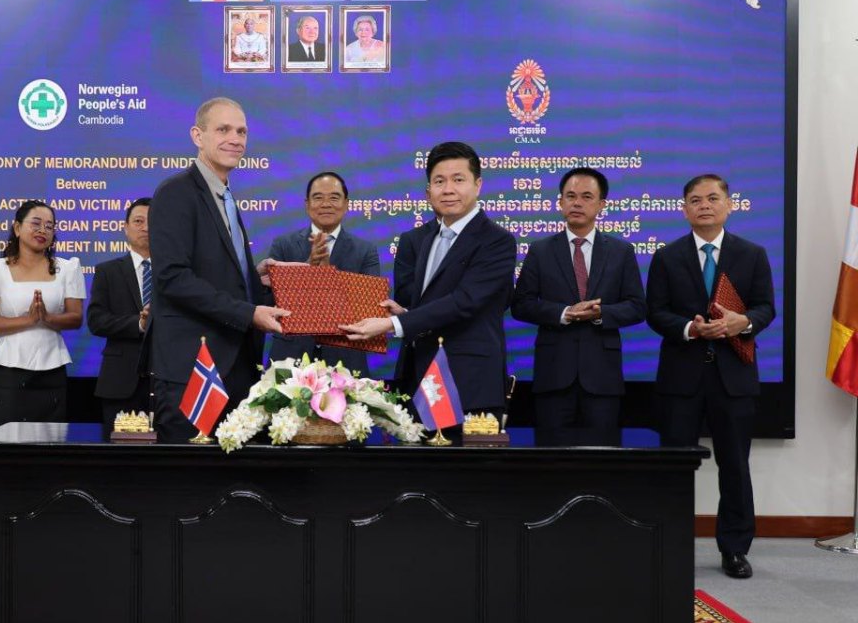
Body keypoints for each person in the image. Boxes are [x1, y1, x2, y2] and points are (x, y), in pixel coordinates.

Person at [647, 174, 774, 580]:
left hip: (733, 377)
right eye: (695, 200)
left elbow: (765, 307)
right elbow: (656, 312)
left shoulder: (752, 254)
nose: (704, 205)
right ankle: (670, 545)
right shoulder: (666, 257)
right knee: (674, 467)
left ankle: (734, 549)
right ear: (684, 209)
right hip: (681, 378)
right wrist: (689, 328)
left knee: (734, 465)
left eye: (713, 198)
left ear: (729, 205)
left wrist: (743, 322)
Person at [148, 97, 288, 442]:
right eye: (223, 129)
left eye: (241, 131)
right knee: (192, 474)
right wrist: (249, 313)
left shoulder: (224, 195)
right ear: (198, 136)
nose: (235, 139)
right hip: (194, 369)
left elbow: (214, 273)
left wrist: (255, 279)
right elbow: (172, 278)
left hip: (236, 364)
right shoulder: (176, 192)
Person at [341, 141, 515, 417]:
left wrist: (392, 324)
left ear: (478, 185)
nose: (448, 189)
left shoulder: (497, 241)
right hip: (419, 378)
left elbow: (464, 301)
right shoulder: (424, 238)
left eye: (458, 180)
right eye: (439, 181)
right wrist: (406, 313)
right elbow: (432, 302)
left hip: (467, 384)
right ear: (428, 191)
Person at [511, 168, 646, 432]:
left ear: (601, 205)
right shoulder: (540, 250)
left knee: (602, 453)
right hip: (553, 375)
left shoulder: (621, 251)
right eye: (570, 196)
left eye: (586, 196)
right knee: (551, 453)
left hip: (603, 377)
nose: (577, 203)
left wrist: (600, 313)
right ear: (560, 202)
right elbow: (521, 304)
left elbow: (637, 307)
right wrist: (564, 313)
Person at [0, 200, 84, 426]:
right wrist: (29, 320)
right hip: (8, 369)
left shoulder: (68, 268)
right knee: (7, 439)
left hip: (52, 367)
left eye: (49, 226)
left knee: (51, 438)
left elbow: (76, 318)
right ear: (17, 228)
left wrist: (48, 318)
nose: (43, 230)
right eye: (36, 223)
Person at [267, 171, 380, 372]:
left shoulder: (365, 251)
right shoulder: (283, 245)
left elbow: (368, 310)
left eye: (334, 198)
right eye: (318, 197)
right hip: (290, 356)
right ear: (307, 204)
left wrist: (327, 273)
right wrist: (309, 267)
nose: (326, 204)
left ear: (346, 204)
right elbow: (272, 302)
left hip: (345, 358)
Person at [88, 198, 153, 429]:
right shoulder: (107, 271)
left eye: (152, 221)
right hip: (121, 382)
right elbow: (96, 321)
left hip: (167, 382)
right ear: (125, 228)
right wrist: (139, 324)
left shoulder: (175, 272)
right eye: (138, 221)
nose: (146, 228)